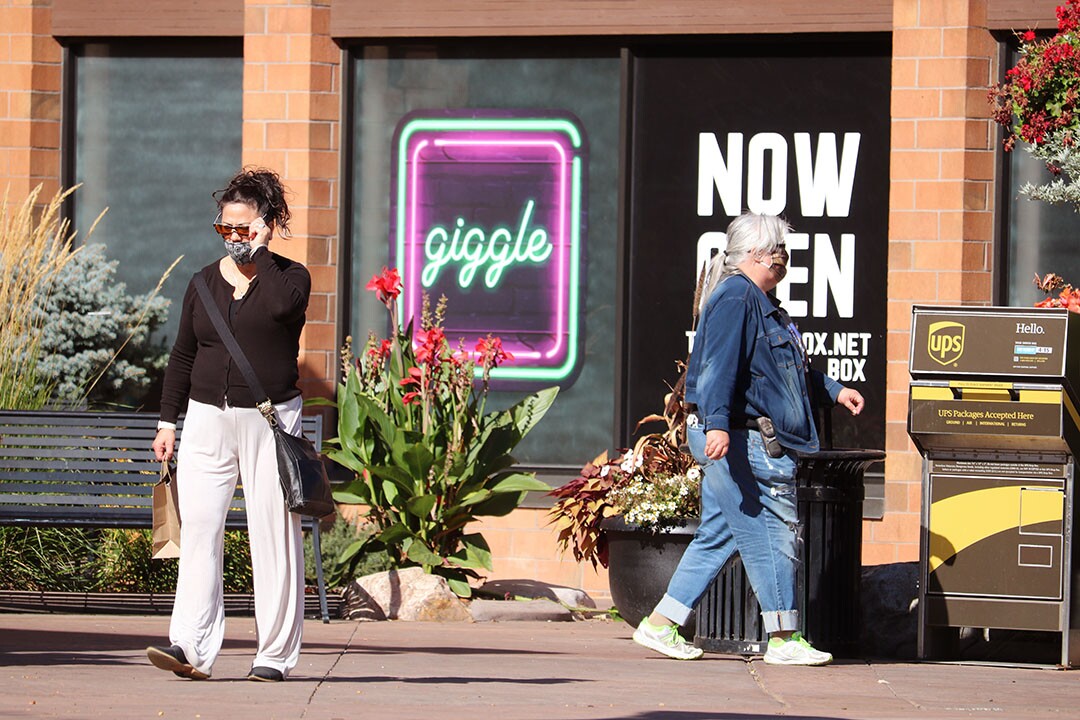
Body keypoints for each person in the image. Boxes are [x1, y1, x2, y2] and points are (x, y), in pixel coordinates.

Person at [632, 212, 864, 665]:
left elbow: (782, 377)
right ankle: (782, 638)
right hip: (742, 439)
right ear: (758, 254)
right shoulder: (738, 297)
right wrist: (716, 423)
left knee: (719, 533)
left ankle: (661, 624)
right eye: (780, 250)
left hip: (738, 435)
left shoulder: (758, 303)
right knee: (773, 530)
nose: (785, 259)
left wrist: (834, 390)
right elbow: (717, 367)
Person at [146, 168, 311, 682]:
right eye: (227, 229)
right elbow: (182, 355)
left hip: (269, 419)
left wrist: (259, 254)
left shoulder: (290, 278)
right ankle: (190, 646)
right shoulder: (201, 282)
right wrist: (167, 421)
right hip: (205, 420)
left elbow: (284, 307)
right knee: (199, 529)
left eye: (245, 228)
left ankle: (274, 654)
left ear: (266, 224)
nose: (236, 238)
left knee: (273, 532)